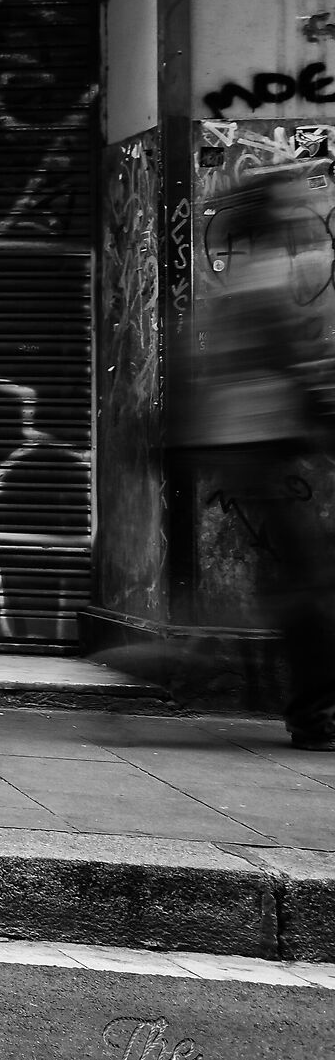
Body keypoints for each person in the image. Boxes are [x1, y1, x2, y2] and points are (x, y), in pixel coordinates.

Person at [163, 165, 335, 750]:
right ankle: (313, 714)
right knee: (306, 584)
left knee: (293, 580)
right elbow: (290, 369)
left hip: (247, 448)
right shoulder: (264, 285)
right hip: (256, 448)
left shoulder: (243, 283)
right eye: (292, 210)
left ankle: (196, 657)